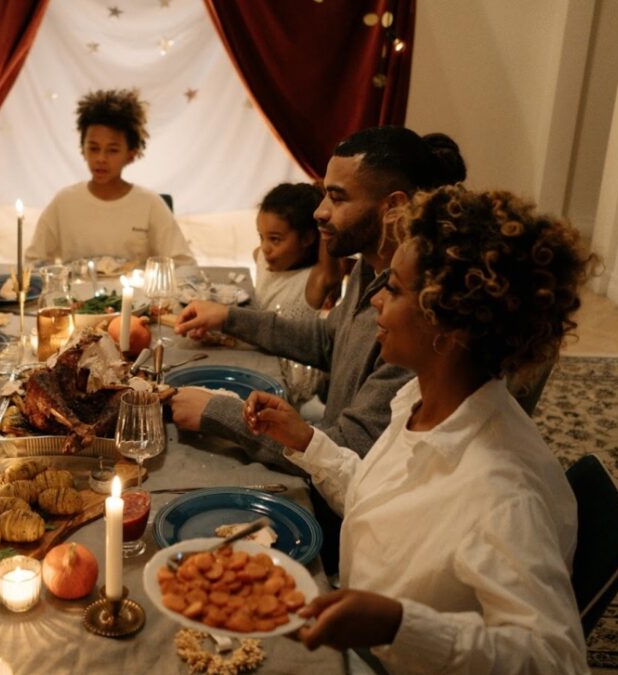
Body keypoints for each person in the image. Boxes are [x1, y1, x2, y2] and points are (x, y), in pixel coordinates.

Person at [243, 185, 591, 672]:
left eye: (395, 289)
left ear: (450, 327)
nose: (374, 299)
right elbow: (386, 504)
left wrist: (400, 626)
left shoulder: (502, 492)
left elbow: (557, 660)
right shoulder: (424, 401)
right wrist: (308, 442)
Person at [172, 126, 466, 466]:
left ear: (393, 206)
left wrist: (218, 413)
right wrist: (228, 317)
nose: (320, 211)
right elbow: (328, 340)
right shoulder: (369, 266)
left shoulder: (414, 314)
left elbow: (348, 449)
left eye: (338, 198)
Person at [25, 88, 195, 267]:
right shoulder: (64, 202)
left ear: (130, 154)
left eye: (112, 150)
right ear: (82, 149)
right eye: (94, 148)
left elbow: (184, 264)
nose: (101, 159)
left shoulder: (149, 204)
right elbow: (35, 261)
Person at [250, 182, 322, 319]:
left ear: (307, 238)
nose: (265, 248)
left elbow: (332, 271)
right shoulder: (261, 258)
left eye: (275, 239)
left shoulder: (314, 281)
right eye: (261, 237)